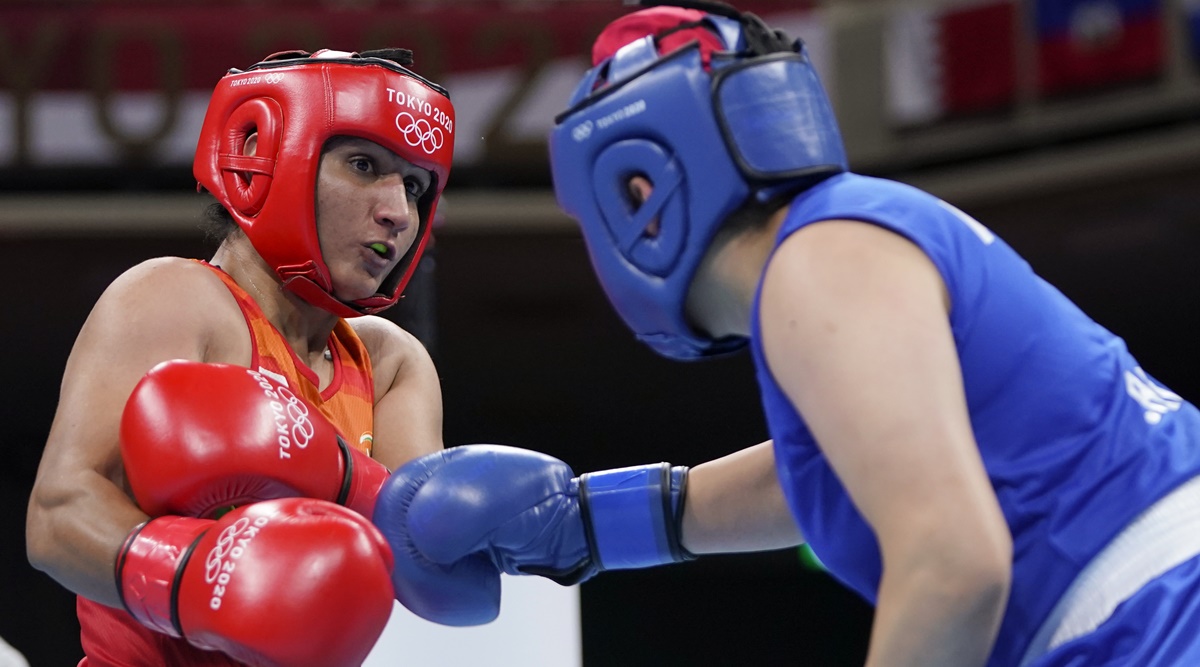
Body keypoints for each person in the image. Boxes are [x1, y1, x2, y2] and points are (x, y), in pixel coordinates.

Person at [368, 2, 1200, 666]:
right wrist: (588, 521)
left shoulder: (822, 259)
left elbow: (953, 563)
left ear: (635, 182)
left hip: (1158, 613)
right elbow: (829, 469)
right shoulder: (847, 247)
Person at [26, 47, 454, 666]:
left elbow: (428, 561)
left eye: (415, 186)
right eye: (364, 165)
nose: (397, 211)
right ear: (267, 157)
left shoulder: (391, 364)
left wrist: (334, 476)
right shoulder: (175, 299)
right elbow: (59, 517)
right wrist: (199, 582)